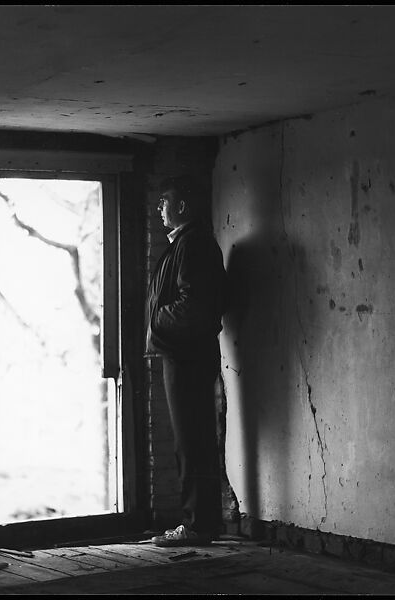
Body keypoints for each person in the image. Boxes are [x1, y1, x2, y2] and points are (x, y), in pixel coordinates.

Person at [146, 175, 228, 547]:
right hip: (187, 352)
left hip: (186, 354)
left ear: (181, 207)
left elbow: (193, 306)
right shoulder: (188, 243)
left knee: (191, 441)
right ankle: (203, 523)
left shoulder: (192, 244)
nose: (159, 207)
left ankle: (197, 525)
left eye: (165, 200)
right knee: (195, 439)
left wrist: (156, 323)